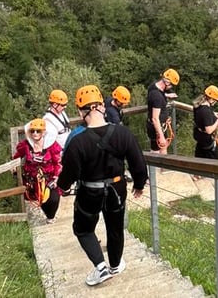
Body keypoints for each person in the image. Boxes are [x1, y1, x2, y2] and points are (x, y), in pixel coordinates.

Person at [57, 84, 148, 287]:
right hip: (117, 188)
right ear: (102, 107)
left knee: (83, 229)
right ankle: (115, 265)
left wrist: (61, 187)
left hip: (90, 191)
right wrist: (139, 184)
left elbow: (69, 173)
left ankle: (101, 267)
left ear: (81, 111)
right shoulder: (123, 134)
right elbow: (137, 162)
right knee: (115, 227)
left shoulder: (77, 141)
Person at [13, 118, 62, 224]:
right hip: (32, 181)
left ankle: (51, 216)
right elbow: (17, 156)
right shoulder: (25, 146)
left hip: (49, 179)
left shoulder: (51, 146)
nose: (35, 133)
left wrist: (56, 176)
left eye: (38, 131)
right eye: (32, 131)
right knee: (37, 201)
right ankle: (44, 217)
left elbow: (57, 162)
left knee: (53, 199)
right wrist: (14, 167)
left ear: (43, 132)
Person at [146, 68, 179, 154]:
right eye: (171, 85)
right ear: (167, 82)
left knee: (164, 150)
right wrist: (160, 136)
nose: (171, 87)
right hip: (156, 128)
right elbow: (155, 118)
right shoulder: (157, 97)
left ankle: (162, 167)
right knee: (156, 154)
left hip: (160, 127)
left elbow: (157, 94)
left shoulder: (153, 86)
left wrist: (166, 95)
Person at [192, 85, 218, 162]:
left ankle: (196, 173)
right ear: (212, 99)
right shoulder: (206, 111)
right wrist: (217, 121)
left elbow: (203, 117)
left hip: (199, 137)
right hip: (207, 141)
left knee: (199, 162)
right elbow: (209, 130)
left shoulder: (198, 105)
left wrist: (213, 114)